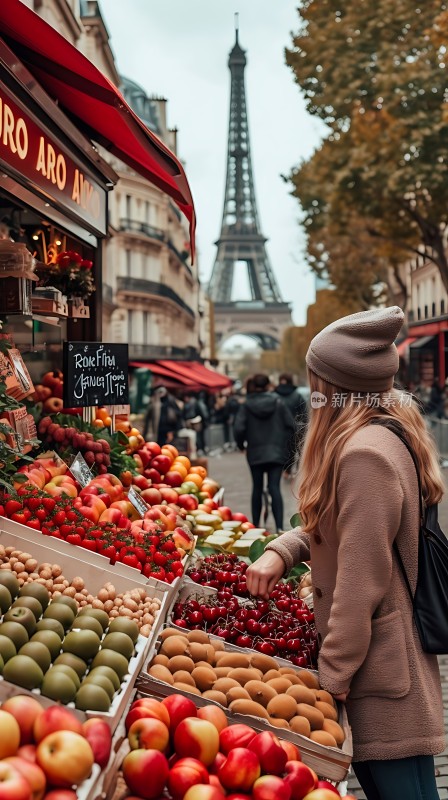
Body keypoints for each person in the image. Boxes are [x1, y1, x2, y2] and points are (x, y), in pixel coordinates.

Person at [246, 307, 444, 800]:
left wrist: (329, 680)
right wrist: (284, 550)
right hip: (383, 660)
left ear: (333, 384)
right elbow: (340, 527)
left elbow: (361, 582)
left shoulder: (362, 454)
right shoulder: (383, 434)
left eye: (317, 378)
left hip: (379, 669)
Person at [234, 373, 295, 531]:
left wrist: (241, 446)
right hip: (276, 451)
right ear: (268, 385)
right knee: (275, 488)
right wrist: (285, 445)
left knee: (257, 488)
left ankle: (256, 526)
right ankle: (280, 527)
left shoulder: (247, 405)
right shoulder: (278, 402)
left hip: (255, 452)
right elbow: (291, 426)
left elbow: (239, 428)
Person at [275, 372, 308, 473]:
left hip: (276, 427)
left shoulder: (274, 396)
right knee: (291, 449)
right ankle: (288, 470)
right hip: (293, 427)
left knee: (279, 449)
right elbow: (304, 413)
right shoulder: (297, 395)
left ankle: (280, 469)